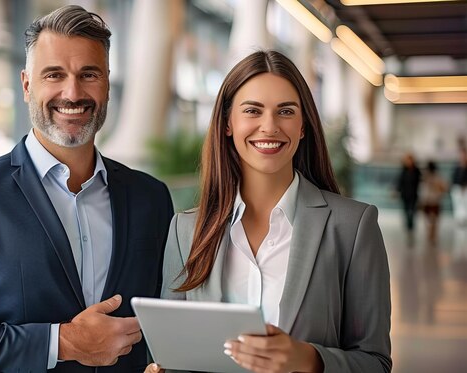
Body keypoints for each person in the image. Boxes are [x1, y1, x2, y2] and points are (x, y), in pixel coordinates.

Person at [0, 5, 174, 372]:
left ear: (107, 85)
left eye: (89, 74)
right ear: (26, 84)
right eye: (54, 74)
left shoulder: (151, 197)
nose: (72, 91)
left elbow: (170, 316)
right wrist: (63, 342)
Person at [146, 50, 391, 373]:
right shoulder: (186, 230)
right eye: (252, 110)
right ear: (228, 124)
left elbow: (375, 362)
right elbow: (173, 353)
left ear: (303, 126)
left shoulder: (352, 227)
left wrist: (306, 358)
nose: (269, 126)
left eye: (286, 111)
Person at [396, 152, 421, 244]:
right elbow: (399, 183)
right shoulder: (403, 171)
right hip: (405, 196)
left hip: (414, 196)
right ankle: (408, 229)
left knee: (412, 213)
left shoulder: (417, 171)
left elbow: (419, 182)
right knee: (407, 213)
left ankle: (411, 229)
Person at [420, 160, 448, 244]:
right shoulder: (426, 177)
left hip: (432, 201)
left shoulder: (436, 177)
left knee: (431, 220)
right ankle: (431, 235)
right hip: (431, 201)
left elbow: (443, 188)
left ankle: (432, 235)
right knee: (431, 221)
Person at [451, 147, 467, 226]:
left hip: (465, 190)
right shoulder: (456, 167)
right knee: (458, 207)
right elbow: (454, 179)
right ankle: (459, 221)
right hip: (457, 189)